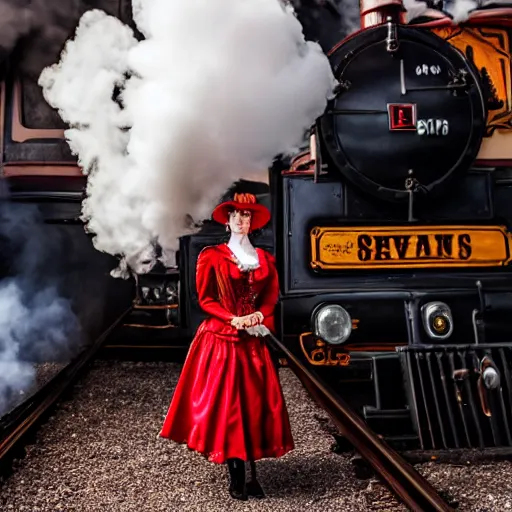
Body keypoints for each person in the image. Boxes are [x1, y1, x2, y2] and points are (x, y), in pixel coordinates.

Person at [159, 192, 294, 501]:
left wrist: (260, 315)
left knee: (254, 406)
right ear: (227, 220)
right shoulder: (211, 256)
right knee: (230, 408)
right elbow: (204, 299)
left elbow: (272, 298)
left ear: (251, 222)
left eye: (245, 216)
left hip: (253, 340)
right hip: (221, 340)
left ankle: (251, 475)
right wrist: (232, 318)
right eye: (234, 215)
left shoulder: (265, 259)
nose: (239, 220)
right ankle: (236, 477)